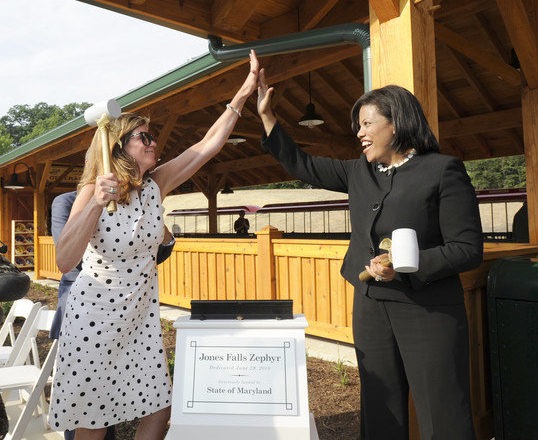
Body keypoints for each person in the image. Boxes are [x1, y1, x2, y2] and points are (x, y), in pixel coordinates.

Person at [257, 75, 483, 440]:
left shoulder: (442, 171)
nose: (360, 133)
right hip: (371, 306)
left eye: (367, 123)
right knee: (380, 408)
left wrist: (408, 264)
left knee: (442, 410)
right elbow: (301, 164)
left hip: (428, 310)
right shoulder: (358, 171)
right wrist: (268, 118)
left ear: (397, 123)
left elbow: (467, 248)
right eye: (357, 126)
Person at [48, 50, 259, 440]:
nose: (153, 141)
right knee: (95, 424)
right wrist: (96, 204)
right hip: (94, 320)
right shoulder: (92, 190)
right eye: (143, 136)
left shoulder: (154, 185)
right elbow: (64, 260)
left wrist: (242, 95)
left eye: (152, 135)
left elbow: (207, 146)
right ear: (119, 147)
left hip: (140, 318)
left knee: (160, 412)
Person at [50, 191, 176, 440]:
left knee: (152, 406)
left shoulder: (139, 196)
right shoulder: (66, 201)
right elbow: (70, 257)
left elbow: (160, 248)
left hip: (132, 307)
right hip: (88, 305)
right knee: (92, 415)